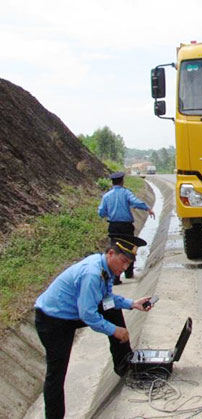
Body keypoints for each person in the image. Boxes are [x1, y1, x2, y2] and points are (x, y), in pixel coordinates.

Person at [34, 236, 156, 419]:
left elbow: (106, 301)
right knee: (57, 373)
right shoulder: (92, 273)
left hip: (69, 314)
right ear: (110, 253)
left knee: (112, 310)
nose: (124, 268)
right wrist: (115, 330)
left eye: (128, 264)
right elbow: (88, 314)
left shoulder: (105, 270)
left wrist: (132, 303)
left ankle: (124, 364)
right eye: (123, 262)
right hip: (53, 321)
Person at [98, 171, 155, 284]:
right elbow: (135, 202)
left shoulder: (106, 196)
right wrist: (147, 208)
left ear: (112, 182)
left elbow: (101, 212)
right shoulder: (126, 193)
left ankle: (115, 277)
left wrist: (108, 213)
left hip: (113, 227)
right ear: (122, 181)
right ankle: (129, 273)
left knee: (115, 249)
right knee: (129, 248)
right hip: (126, 227)